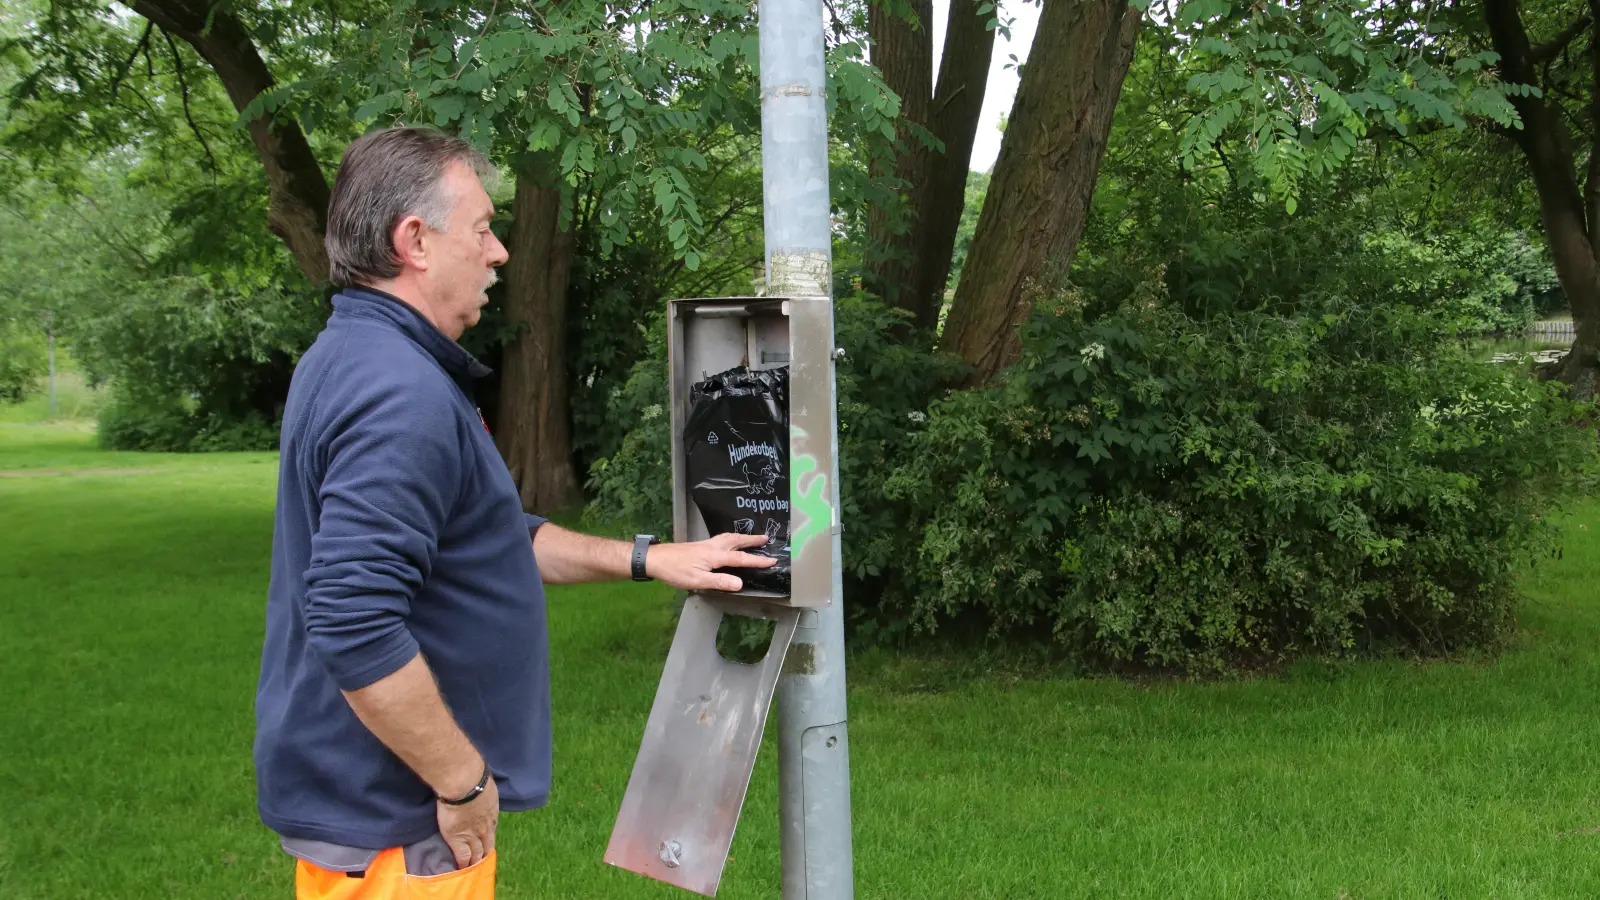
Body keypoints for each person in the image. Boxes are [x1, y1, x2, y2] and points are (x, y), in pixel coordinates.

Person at [254, 126, 773, 899]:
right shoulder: (400, 394)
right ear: (415, 241)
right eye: (484, 229)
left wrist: (646, 558)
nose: (499, 253)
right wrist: (462, 783)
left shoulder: (354, 356)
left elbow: (487, 542)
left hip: (373, 818)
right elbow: (353, 616)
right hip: (402, 832)